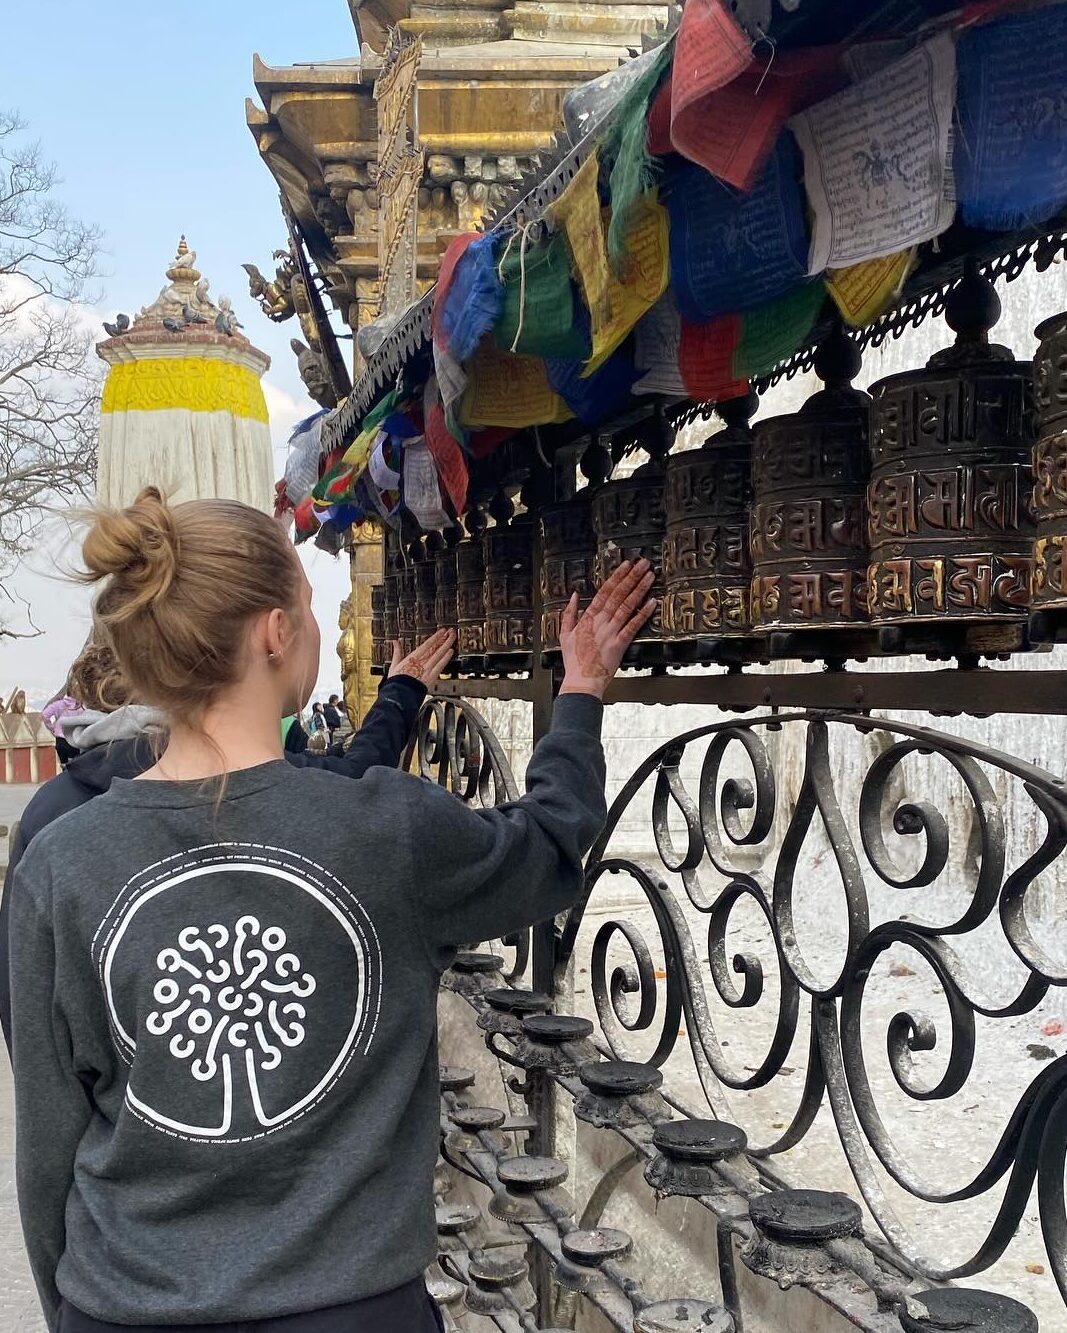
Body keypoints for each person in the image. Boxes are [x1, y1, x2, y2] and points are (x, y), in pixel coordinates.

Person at [7, 487, 653, 1333]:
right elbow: (547, 846)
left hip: (124, 1304)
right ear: (277, 631)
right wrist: (578, 695)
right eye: (311, 610)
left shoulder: (59, 857)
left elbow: (48, 1142)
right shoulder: (385, 829)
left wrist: (73, 1312)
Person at [0, 628, 454, 1055]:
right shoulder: (231, 777)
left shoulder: (48, 816)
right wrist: (400, 693)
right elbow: (352, 781)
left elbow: (27, 1007)